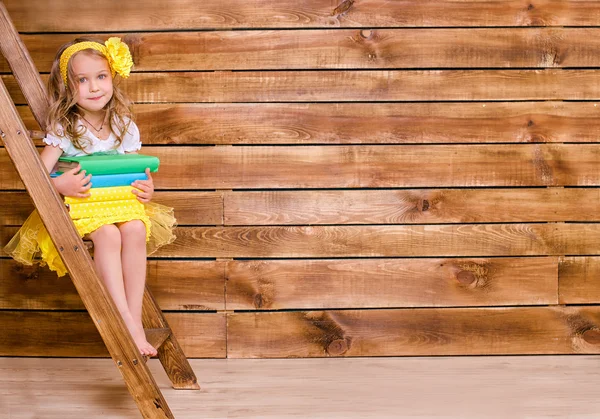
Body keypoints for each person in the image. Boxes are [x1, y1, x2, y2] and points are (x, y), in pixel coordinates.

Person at [4, 37, 176, 357]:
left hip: (119, 201)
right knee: (109, 236)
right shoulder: (66, 127)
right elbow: (36, 175)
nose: (94, 87)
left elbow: (139, 172)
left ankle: (135, 318)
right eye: (82, 80)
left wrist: (147, 189)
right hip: (84, 205)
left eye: (101, 76)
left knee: (136, 228)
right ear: (68, 87)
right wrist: (59, 186)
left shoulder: (123, 124)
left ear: (112, 78)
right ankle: (123, 319)